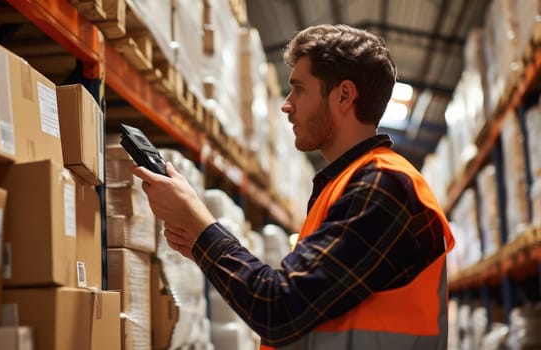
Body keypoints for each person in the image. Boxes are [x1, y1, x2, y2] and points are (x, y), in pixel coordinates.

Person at [132, 24, 454, 350]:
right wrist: (203, 247)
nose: (286, 105)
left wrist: (198, 223)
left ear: (343, 95)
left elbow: (279, 308)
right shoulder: (351, 184)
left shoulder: (382, 187)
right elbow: (302, 306)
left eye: (299, 88)